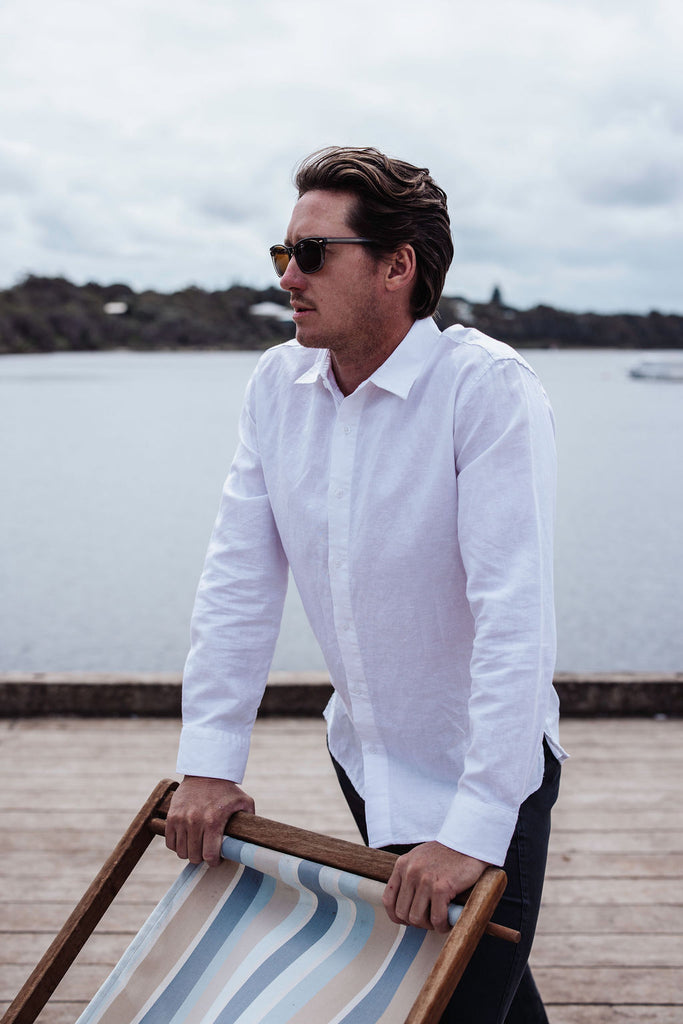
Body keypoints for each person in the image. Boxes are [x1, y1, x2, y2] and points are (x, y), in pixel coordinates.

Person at [166, 145, 566, 1023]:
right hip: (368, 760)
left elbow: (514, 620)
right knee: (482, 1006)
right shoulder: (276, 384)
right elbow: (237, 581)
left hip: (486, 776)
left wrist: (471, 829)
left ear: (396, 267)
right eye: (284, 252)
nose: (287, 277)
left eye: (312, 253)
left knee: (451, 1009)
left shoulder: (485, 390)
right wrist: (208, 765)